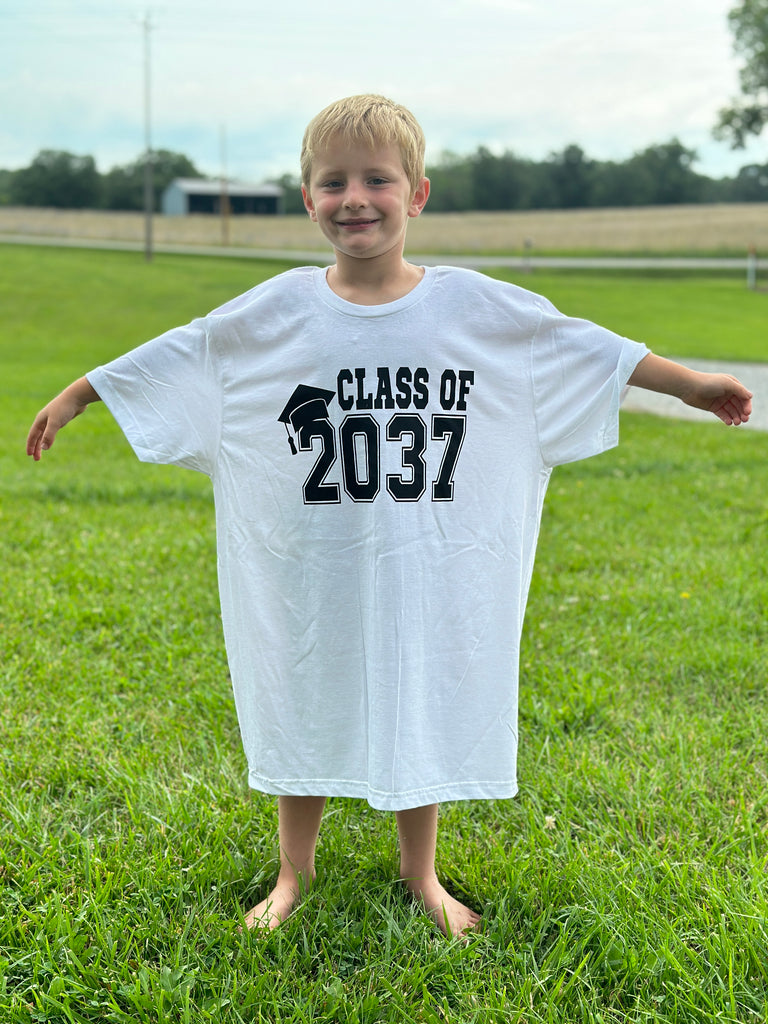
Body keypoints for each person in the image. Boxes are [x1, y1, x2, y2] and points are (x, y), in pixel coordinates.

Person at [27, 95, 753, 939]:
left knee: (426, 692)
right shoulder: (275, 313)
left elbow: (586, 347)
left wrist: (693, 386)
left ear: (418, 195)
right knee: (305, 690)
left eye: (377, 179)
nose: (355, 198)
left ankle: (423, 876)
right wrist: (83, 392)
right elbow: (188, 352)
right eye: (333, 182)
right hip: (315, 565)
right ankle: (290, 876)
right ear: (307, 199)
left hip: (429, 562)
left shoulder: (477, 310)